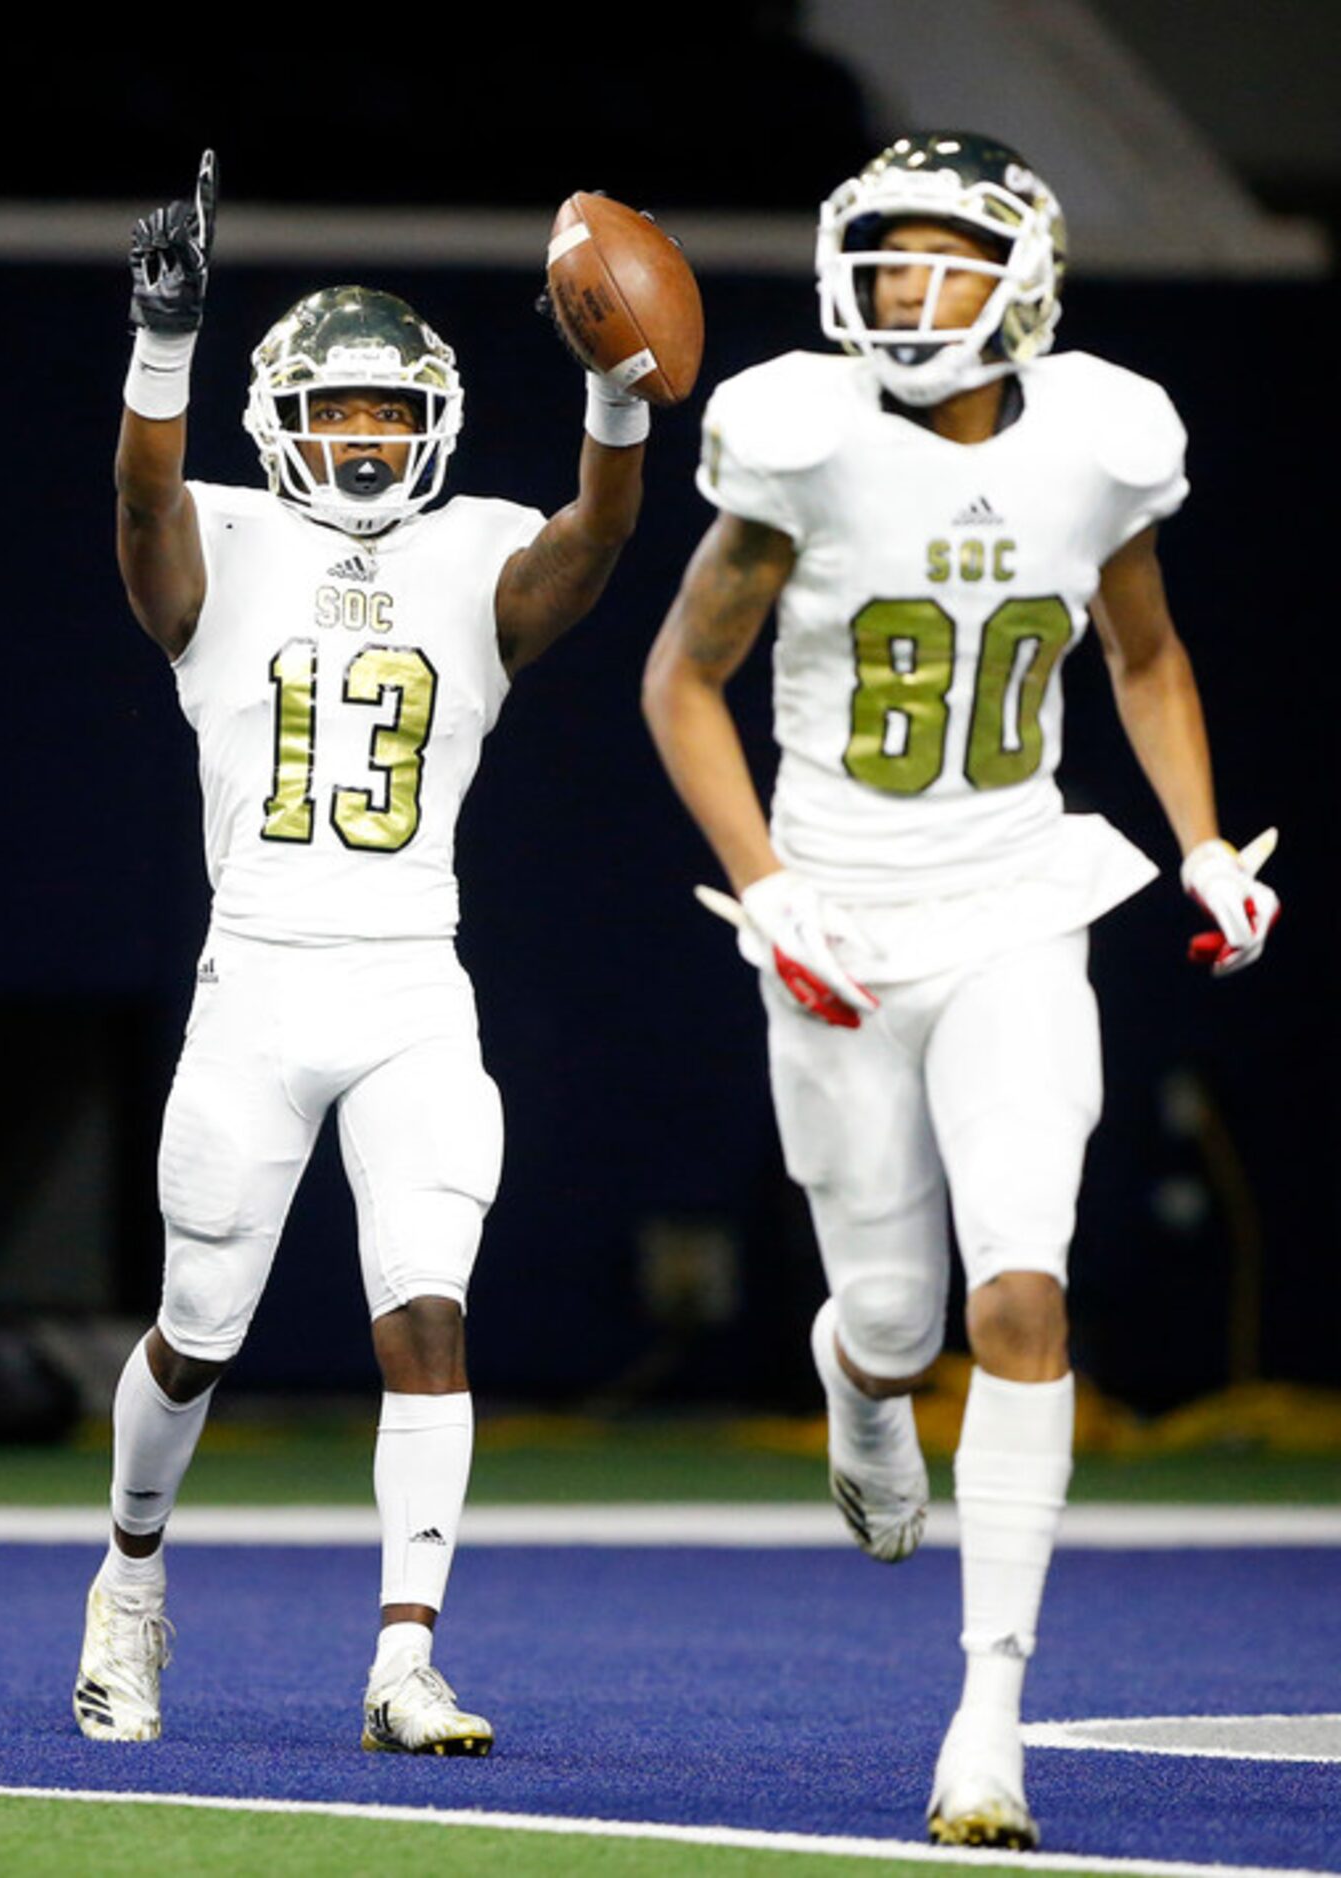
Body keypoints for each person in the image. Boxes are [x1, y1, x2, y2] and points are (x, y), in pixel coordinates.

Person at [641, 133, 1280, 1850]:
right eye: (886, 263)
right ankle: (857, 1380)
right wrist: (767, 887)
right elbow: (680, 681)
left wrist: (1203, 842)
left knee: (1021, 1294)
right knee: (899, 1321)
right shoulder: (803, 436)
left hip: (1016, 902)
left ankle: (986, 1719)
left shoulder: (1097, 435)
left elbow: (1142, 651)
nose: (908, 298)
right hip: (839, 920)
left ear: (1025, 287)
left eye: (946, 266)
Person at [76, 152, 653, 1755]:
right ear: (282, 417)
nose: (366, 435)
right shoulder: (222, 531)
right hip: (255, 976)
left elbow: (594, 550)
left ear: (433, 424)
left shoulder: (476, 546)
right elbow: (140, 504)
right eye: (341, 408)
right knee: (197, 1334)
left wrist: (616, 394)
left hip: (410, 983)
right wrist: (162, 341)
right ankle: (127, 1576)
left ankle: (404, 1655)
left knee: (427, 1311)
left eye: (392, 413)